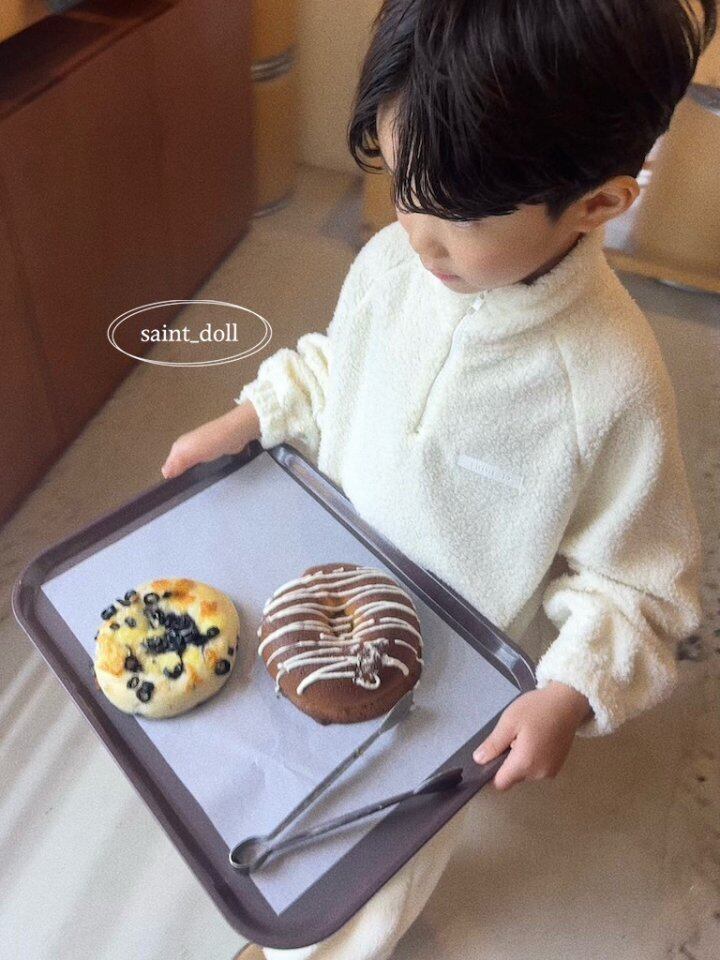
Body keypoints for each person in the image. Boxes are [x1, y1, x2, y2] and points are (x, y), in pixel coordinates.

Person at [161, 2, 717, 957]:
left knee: (385, 856)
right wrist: (254, 416)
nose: (417, 235)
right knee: (279, 766)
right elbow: (339, 364)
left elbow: (643, 586)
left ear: (598, 204)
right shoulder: (393, 264)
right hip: (325, 580)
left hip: (456, 680)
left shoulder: (610, 382)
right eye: (401, 183)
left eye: (458, 212)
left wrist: (570, 691)